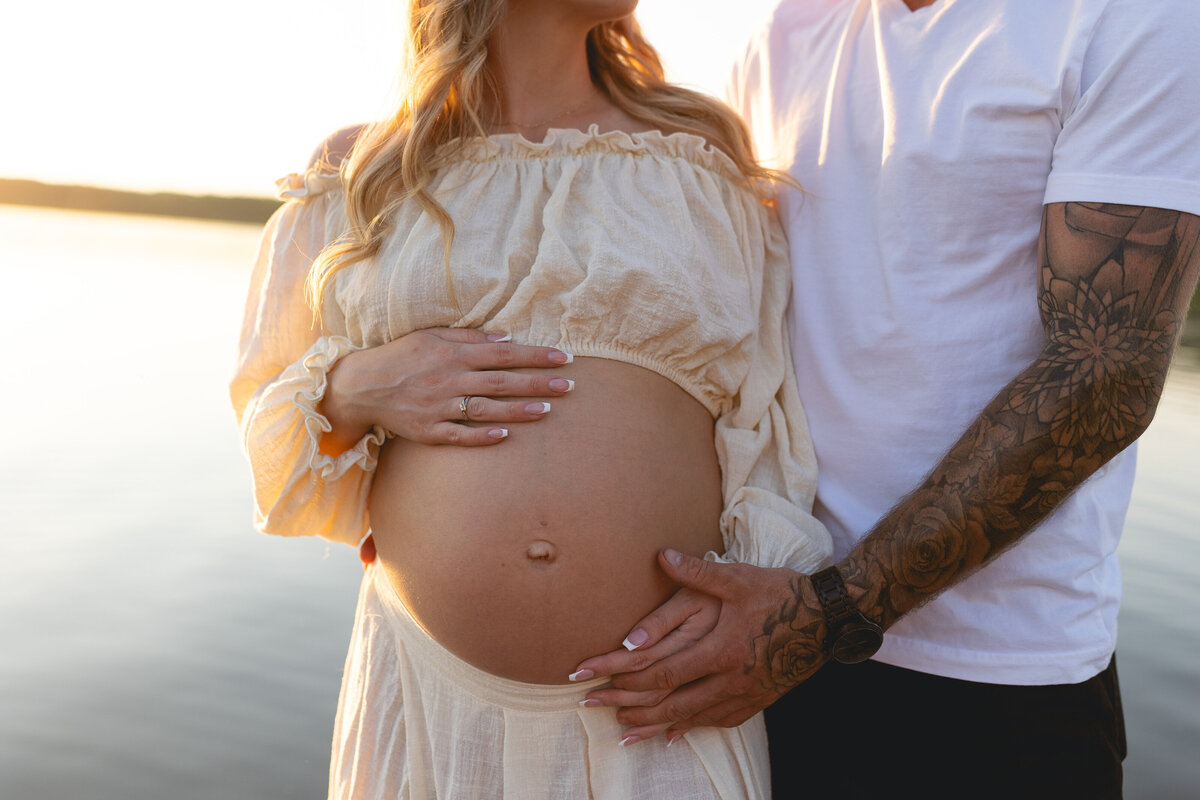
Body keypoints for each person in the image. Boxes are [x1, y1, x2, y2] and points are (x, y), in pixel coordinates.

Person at [568, 1, 1200, 798]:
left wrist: (825, 617)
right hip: (766, 647)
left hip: (998, 685)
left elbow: (1105, 373)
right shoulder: (785, 34)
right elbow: (718, 328)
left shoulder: (1128, 17)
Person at [229, 1, 831, 797]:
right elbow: (273, 421)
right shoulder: (364, 173)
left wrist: (761, 584)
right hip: (427, 698)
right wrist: (359, 387)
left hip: (660, 703)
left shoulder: (696, 154)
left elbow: (765, 411)